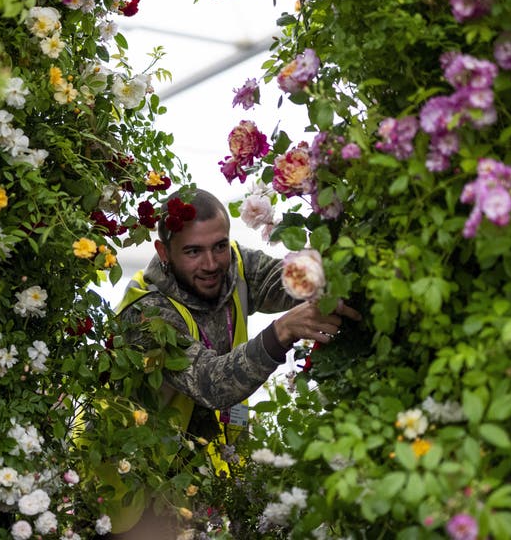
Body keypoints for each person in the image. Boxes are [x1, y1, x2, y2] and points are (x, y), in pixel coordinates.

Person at [109, 187, 361, 538]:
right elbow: (211, 383)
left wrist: (332, 275)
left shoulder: (235, 267)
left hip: (202, 483)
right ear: (163, 252)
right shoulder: (146, 313)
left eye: (219, 246)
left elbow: (283, 280)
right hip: (136, 496)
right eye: (193, 251)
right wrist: (283, 330)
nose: (211, 264)